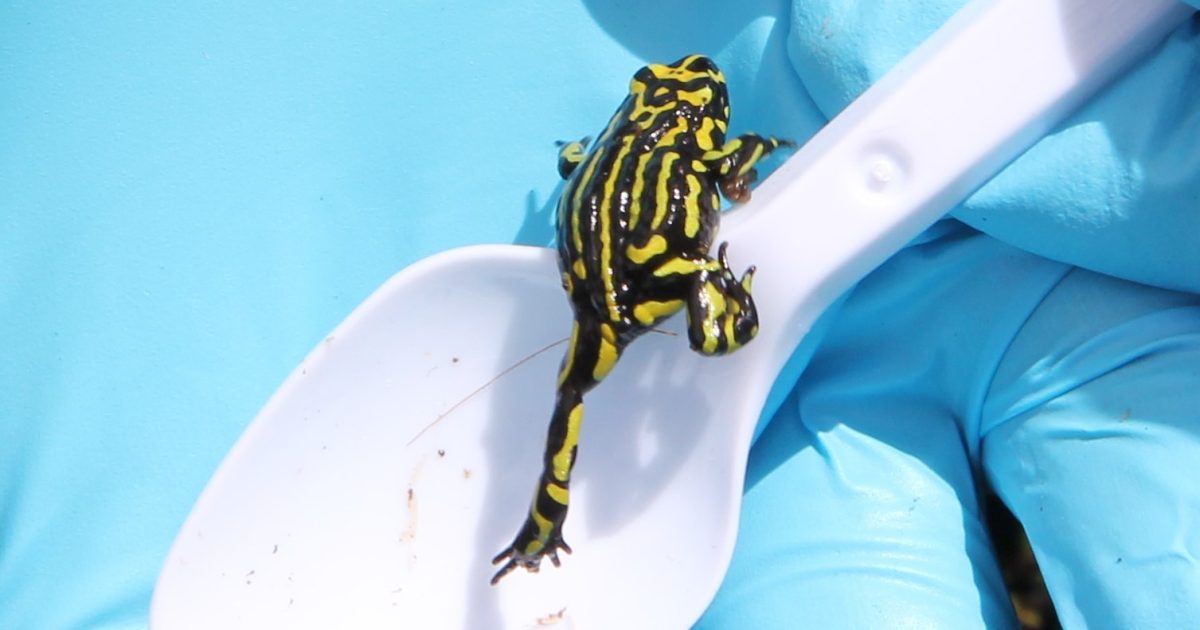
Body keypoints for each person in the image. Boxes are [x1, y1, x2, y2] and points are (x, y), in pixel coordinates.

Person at [1, 1, 1195, 627]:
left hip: (599, 286)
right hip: (619, 276)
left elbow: (601, 152)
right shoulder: (697, 143)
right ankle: (545, 528)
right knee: (586, 385)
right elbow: (704, 164)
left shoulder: (647, 134)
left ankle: (542, 525)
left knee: (573, 398)